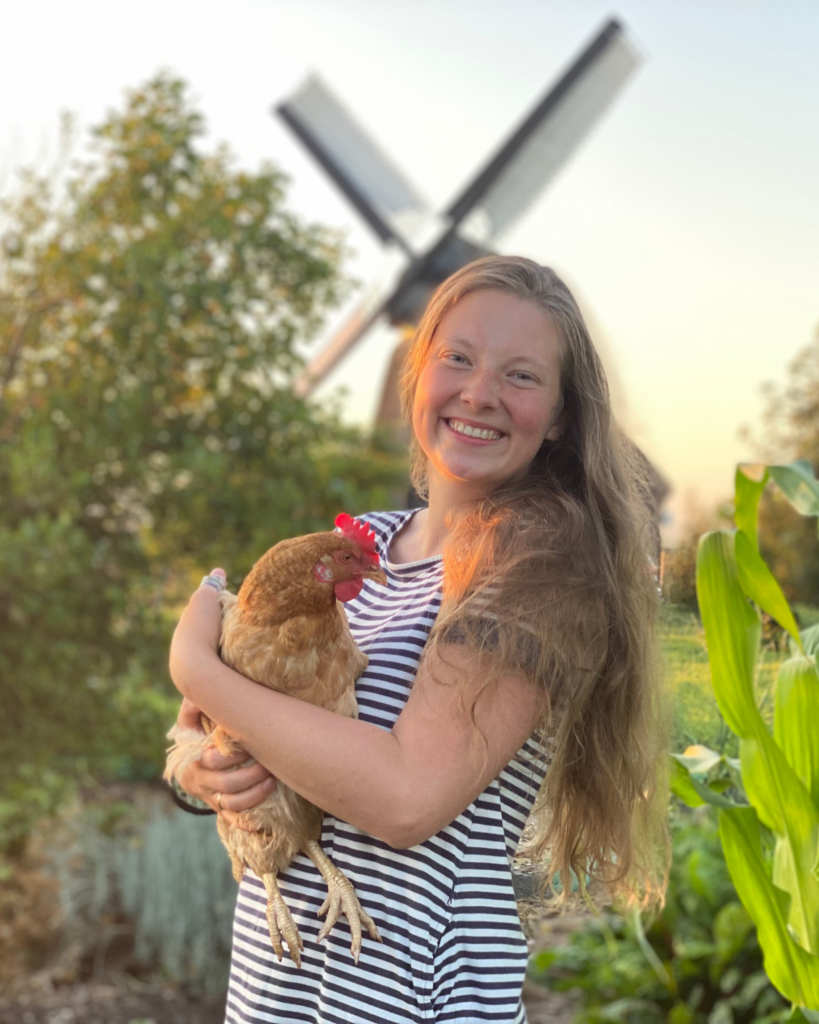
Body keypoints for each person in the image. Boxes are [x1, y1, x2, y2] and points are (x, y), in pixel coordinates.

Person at [168, 255, 668, 1024]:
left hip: (412, 998)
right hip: (279, 990)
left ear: (562, 415)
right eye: (458, 358)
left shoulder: (539, 571)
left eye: (521, 376)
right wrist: (206, 769)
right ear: (417, 370)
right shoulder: (359, 546)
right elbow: (250, 724)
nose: (479, 393)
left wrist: (193, 666)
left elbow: (406, 799)